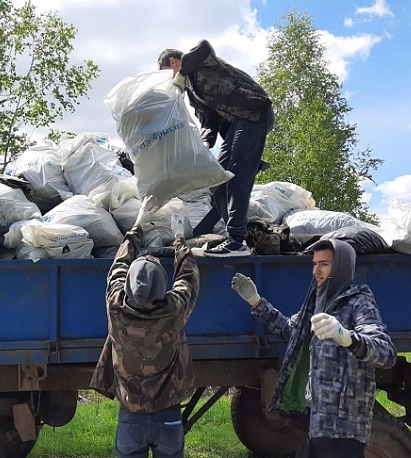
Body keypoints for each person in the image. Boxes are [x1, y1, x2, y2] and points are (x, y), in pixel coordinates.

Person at [230, 239, 396, 458]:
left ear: (341, 267)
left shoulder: (358, 302)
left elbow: (386, 353)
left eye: (324, 264)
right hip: (314, 420)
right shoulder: (316, 303)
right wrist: (256, 302)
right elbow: (291, 331)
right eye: (314, 264)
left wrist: (346, 337)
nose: (316, 270)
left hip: (343, 426)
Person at [90, 196, 200, 458]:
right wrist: (179, 240)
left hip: (131, 415)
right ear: (163, 285)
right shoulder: (173, 309)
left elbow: (117, 268)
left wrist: (136, 229)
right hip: (168, 416)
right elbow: (188, 278)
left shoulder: (116, 308)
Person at [157, 40, 274, 258]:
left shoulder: (201, 64)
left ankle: (236, 240)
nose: (170, 80)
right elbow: (208, 122)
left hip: (253, 112)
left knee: (238, 174)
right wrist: (201, 146)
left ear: (173, 62)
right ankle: (238, 235)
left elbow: (204, 46)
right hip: (235, 125)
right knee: (217, 181)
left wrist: (182, 72)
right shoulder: (191, 92)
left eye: (167, 73)